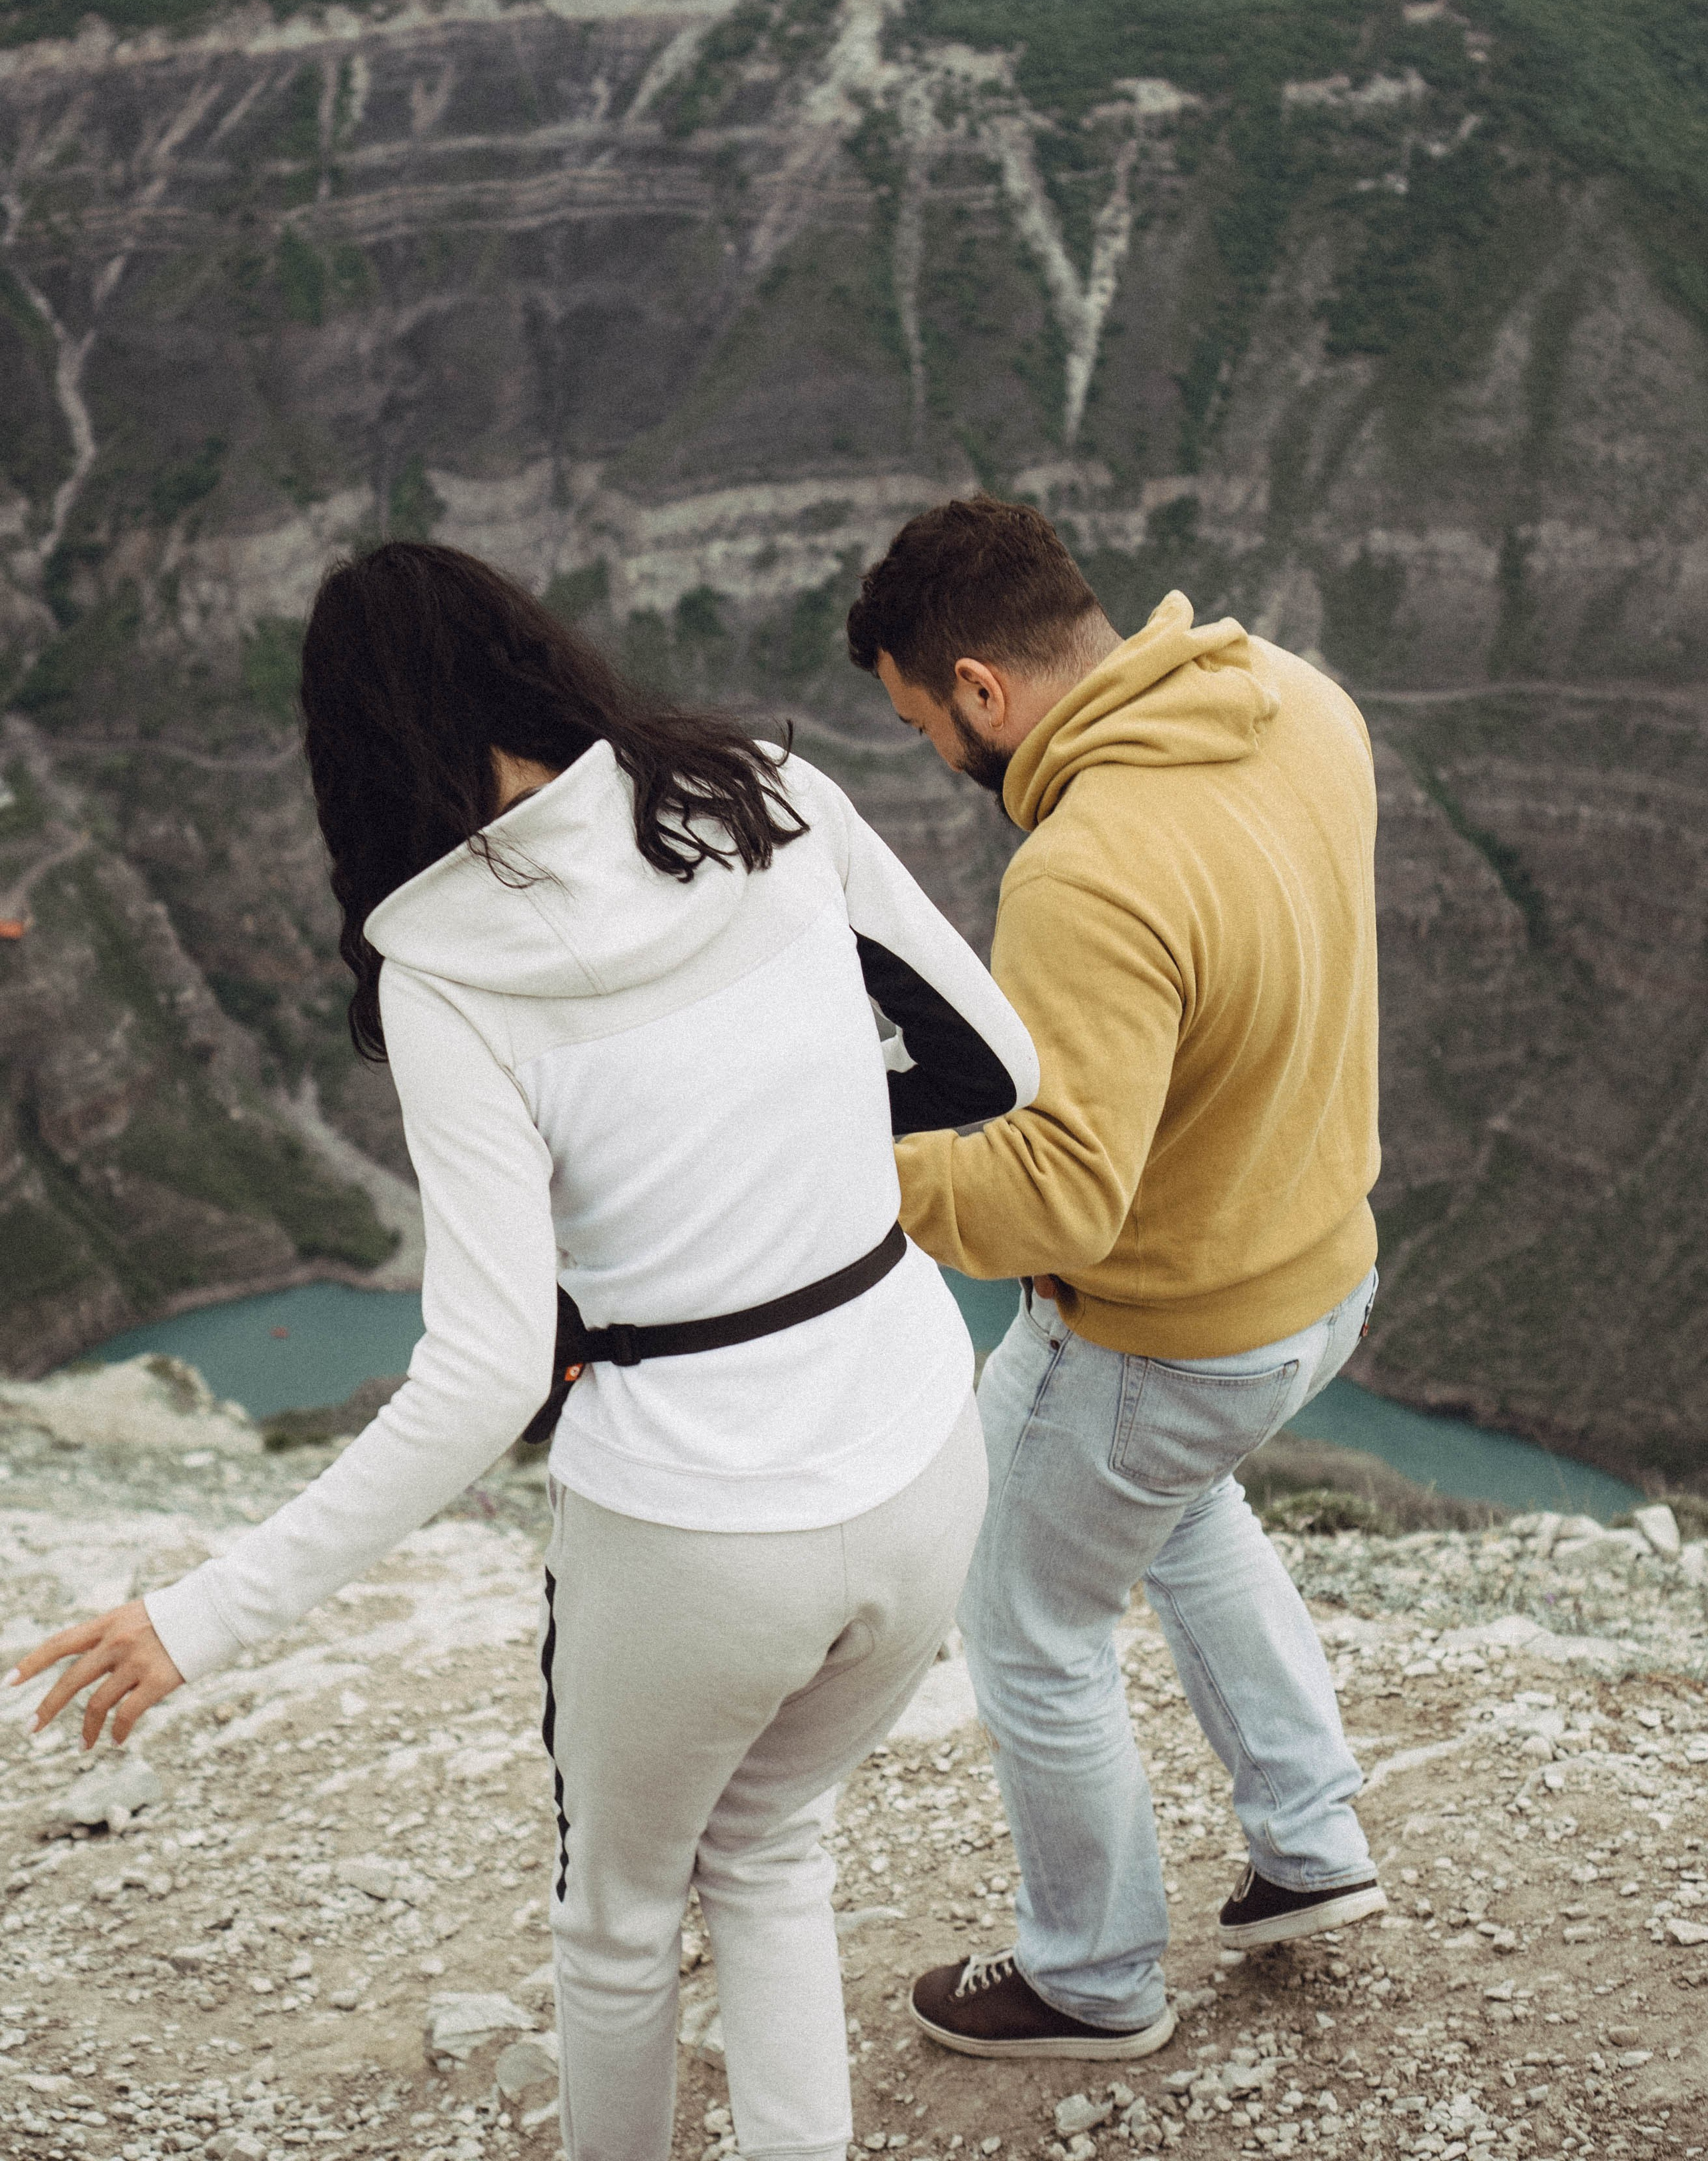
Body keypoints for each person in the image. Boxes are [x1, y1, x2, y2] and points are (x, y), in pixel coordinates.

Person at [10, 541, 1038, 2161]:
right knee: (772, 1853)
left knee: (620, 1924)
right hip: (920, 1449)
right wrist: (792, 1139)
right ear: (528, 657)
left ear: (349, 749)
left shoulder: (442, 966)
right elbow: (997, 1059)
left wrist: (201, 1616)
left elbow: (486, 1376)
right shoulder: (771, 795)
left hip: (696, 1528)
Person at [845, 494, 1386, 2064]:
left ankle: (1089, 1979)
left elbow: (1058, 1201)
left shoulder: (1084, 868)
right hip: (1319, 1283)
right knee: (1175, 1500)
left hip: (1164, 1333)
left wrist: (831, 1165)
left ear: (980, 691)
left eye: (919, 724)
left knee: (1020, 1608)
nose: (937, 761)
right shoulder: (1300, 700)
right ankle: (1308, 1843)